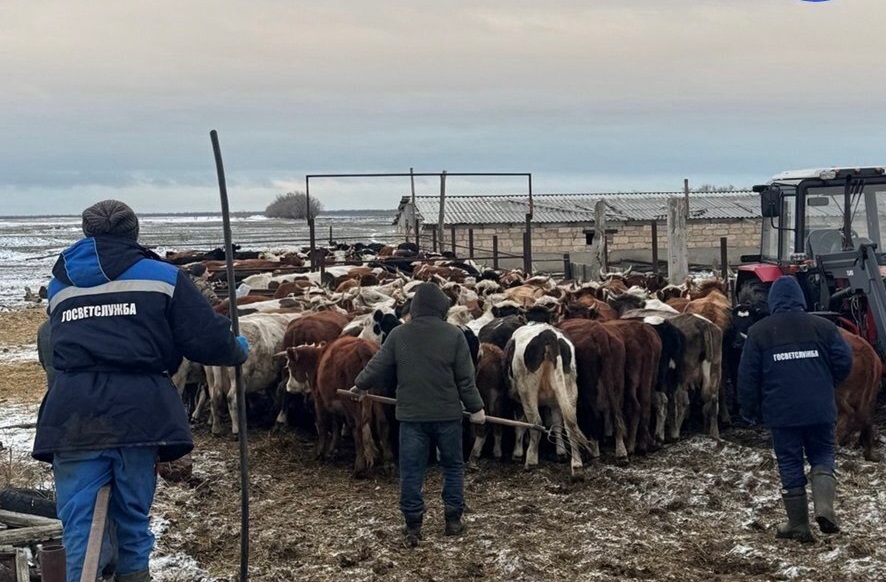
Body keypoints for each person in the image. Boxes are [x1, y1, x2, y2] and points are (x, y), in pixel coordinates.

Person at [32, 200, 249, 582]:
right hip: (139, 411)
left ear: (87, 233)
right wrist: (236, 349)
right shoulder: (163, 277)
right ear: (134, 233)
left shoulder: (60, 285)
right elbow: (206, 339)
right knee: (132, 516)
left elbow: (53, 342)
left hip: (74, 414)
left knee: (79, 520)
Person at [352, 282, 486, 547]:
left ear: (415, 307)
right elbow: (465, 379)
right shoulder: (454, 335)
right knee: (452, 467)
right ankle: (453, 519)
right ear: (441, 308)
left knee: (412, 470)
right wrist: (476, 408)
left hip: (412, 418)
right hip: (447, 416)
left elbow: (377, 365)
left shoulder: (399, 334)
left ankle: (413, 524)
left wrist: (360, 384)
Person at [737, 275, 853, 543]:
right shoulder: (824, 327)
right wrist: (827, 384)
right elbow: (844, 361)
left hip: (782, 412)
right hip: (820, 409)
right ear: (801, 298)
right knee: (823, 454)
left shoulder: (759, 331)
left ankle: (798, 524)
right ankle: (824, 507)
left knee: (790, 461)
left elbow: (747, 376)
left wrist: (749, 410)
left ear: (773, 300)